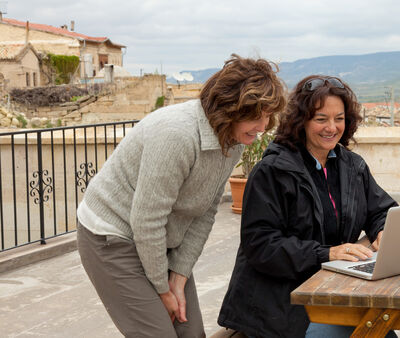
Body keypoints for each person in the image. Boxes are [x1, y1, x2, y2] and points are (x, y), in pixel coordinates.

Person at [76, 54, 286, 338]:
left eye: (267, 116)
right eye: (256, 115)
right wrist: (162, 289)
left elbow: (206, 211)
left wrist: (179, 276)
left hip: (158, 240)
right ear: (230, 107)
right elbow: (147, 219)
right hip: (111, 237)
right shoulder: (176, 135)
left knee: (190, 333)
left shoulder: (232, 140)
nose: (263, 126)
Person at [218, 75, 398, 337]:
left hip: (330, 291)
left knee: (381, 329)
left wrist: (382, 229)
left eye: (339, 118)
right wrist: (326, 254)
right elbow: (261, 244)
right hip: (280, 306)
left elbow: (380, 209)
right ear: (301, 121)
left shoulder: (352, 165)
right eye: (321, 119)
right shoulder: (272, 171)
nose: (331, 128)